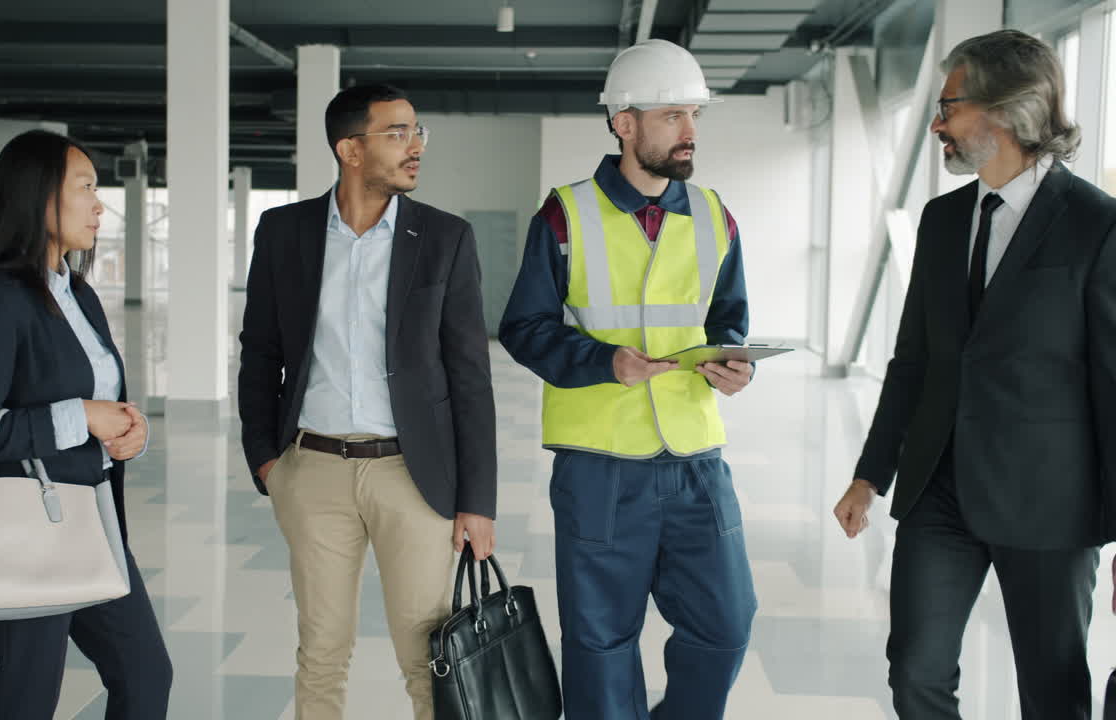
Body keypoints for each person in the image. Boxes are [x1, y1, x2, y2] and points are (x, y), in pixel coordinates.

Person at [832, 29, 1116, 720]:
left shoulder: (1096, 225)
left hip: (1051, 503)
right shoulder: (940, 219)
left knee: (1053, 691)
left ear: (1008, 110)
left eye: (950, 107)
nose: (937, 125)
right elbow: (913, 361)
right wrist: (870, 475)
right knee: (916, 676)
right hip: (940, 494)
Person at [499, 38, 757, 720]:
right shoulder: (564, 214)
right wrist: (602, 361)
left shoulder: (714, 215)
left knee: (727, 625)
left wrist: (734, 364)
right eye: (673, 115)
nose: (689, 131)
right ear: (624, 122)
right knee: (600, 644)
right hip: (600, 466)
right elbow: (524, 327)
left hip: (697, 463)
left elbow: (728, 320)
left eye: (694, 115)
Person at [237, 84, 497, 720]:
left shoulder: (444, 237)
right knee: (321, 650)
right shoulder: (283, 231)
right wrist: (267, 459)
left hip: (413, 475)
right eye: (398, 133)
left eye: (417, 132)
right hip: (312, 470)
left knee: (427, 654)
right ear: (350, 149)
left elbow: (470, 375)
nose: (416, 147)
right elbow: (260, 352)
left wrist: (478, 502)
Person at [0, 130, 172, 719]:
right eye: (87, 188)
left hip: (93, 520)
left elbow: (98, 397)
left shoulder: (81, 294)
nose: (101, 204)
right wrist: (83, 418)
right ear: (38, 197)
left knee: (147, 674)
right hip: (28, 529)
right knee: (29, 694)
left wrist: (127, 430)